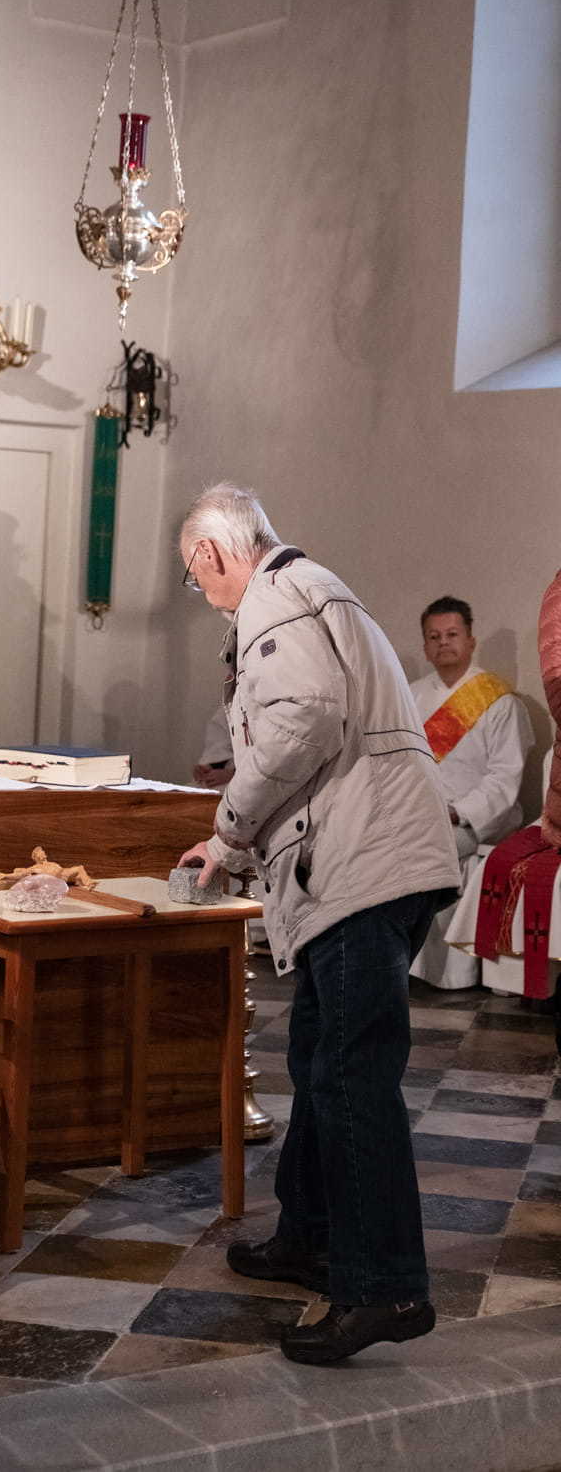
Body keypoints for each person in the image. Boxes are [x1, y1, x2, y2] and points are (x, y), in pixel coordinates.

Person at [177, 483, 459, 1365]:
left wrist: (228, 829)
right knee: (319, 1057)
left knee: (350, 1074)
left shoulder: (275, 598)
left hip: (363, 864)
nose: (202, 592)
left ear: (213, 553)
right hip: (373, 859)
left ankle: (384, 1287)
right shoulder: (309, 587)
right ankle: (310, 1236)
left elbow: (302, 721)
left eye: (194, 576)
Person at [409, 597, 533, 988]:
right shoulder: (409, 697)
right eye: (434, 637)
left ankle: (445, 972)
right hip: (421, 814)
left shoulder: (498, 701)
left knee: (429, 850)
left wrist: (456, 812)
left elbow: (504, 778)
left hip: (476, 820)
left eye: (452, 634)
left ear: (470, 641)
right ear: (425, 646)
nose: (443, 642)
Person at [192, 705, 233, 789]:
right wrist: (207, 767)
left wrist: (232, 774)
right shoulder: (226, 710)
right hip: (223, 779)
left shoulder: (260, 713)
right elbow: (218, 748)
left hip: (249, 782)